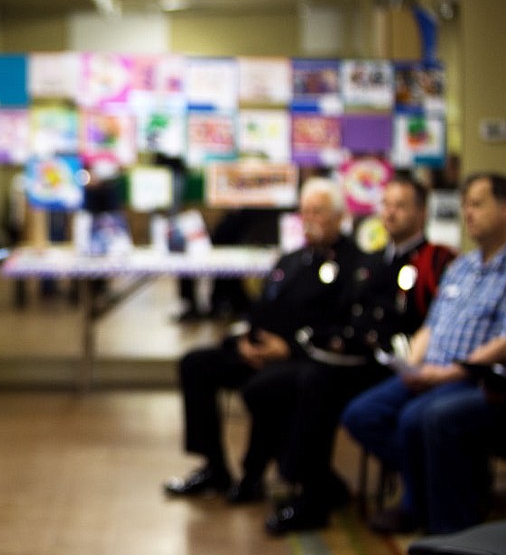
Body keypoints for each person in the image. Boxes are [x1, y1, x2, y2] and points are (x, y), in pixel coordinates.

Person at [262, 175, 455, 534]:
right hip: (364, 359)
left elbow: (429, 322)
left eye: (400, 206)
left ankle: (313, 496)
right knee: (280, 384)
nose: (390, 213)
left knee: (317, 384)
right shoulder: (373, 261)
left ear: (421, 212)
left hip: (406, 365)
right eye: (386, 205)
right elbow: (352, 318)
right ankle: (312, 480)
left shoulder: (437, 261)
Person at [164, 177, 364, 504]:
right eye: (305, 212)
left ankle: (255, 474)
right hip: (259, 350)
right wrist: (244, 340)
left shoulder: (352, 265)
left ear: (340, 217)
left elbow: (341, 326)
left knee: (266, 387)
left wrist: (289, 348)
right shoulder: (292, 260)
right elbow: (259, 308)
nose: (310, 219)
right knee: (196, 364)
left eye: (319, 212)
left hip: (303, 360)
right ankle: (214, 467)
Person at [341, 172, 506, 535]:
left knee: (419, 419)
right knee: (361, 414)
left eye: (477, 204)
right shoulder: (461, 266)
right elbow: (430, 325)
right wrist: (413, 364)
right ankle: (433, 492)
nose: (468, 213)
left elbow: (504, 341)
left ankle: (449, 528)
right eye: (465, 205)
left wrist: (449, 374)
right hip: (430, 370)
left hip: (476, 380)